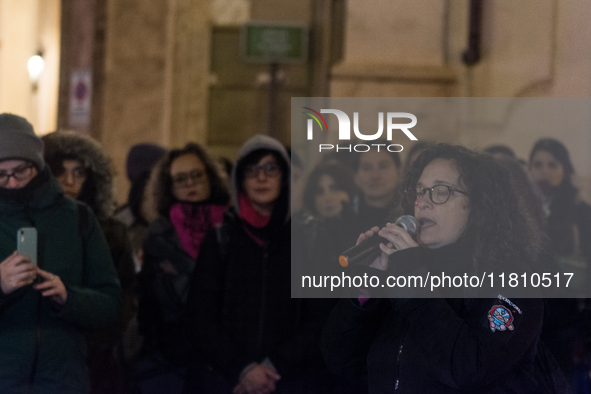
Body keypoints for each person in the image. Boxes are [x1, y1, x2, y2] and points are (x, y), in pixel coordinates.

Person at [321, 144, 568, 393]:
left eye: (440, 191)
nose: (423, 203)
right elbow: (339, 360)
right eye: (419, 191)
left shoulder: (513, 277)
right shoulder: (404, 270)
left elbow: (468, 368)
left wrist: (413, 280)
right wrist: (367, 285)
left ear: (479, 204)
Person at [185, 135, 331, 394]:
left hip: (291, 382)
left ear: (284, 178)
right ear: (239, 180)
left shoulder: (310, 239)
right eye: (251, 170)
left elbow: (319, 319)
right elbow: (201, 318)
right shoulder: (221, 240)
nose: (261, 178)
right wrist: (243, 369)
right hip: (228, 382)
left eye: (270, 169)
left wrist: (273, 368)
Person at [0, 113, 122, 393]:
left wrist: (68, 297)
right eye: (1, 174)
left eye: (21, 171)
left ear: (38, 166)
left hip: (63, 380)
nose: (13, 183)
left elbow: (111, 303)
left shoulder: (78, 218)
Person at [42, 130, 136, 394]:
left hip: (92, 362)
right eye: (59, 170)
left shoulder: (111, 231)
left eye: (80, 172)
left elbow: (123, 296)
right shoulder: (26, 225)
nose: (69, 180)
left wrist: (93, 345)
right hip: (35, 360)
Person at [136, 142, 230, 393]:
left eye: (196, 175)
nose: (190, 183)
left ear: (210, 178)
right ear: (169, 186)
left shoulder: (231, 225)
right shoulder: (160, 232)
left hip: (228, 351)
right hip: (176, 351)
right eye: (180, 179)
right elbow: (157, 297)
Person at [529, 138, 591, 387]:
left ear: (565, 169)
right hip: (531, 318)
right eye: (538, 164)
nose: (544, 171)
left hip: (567, 321)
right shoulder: (523, 211)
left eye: (552, 165)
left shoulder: (581, 212)